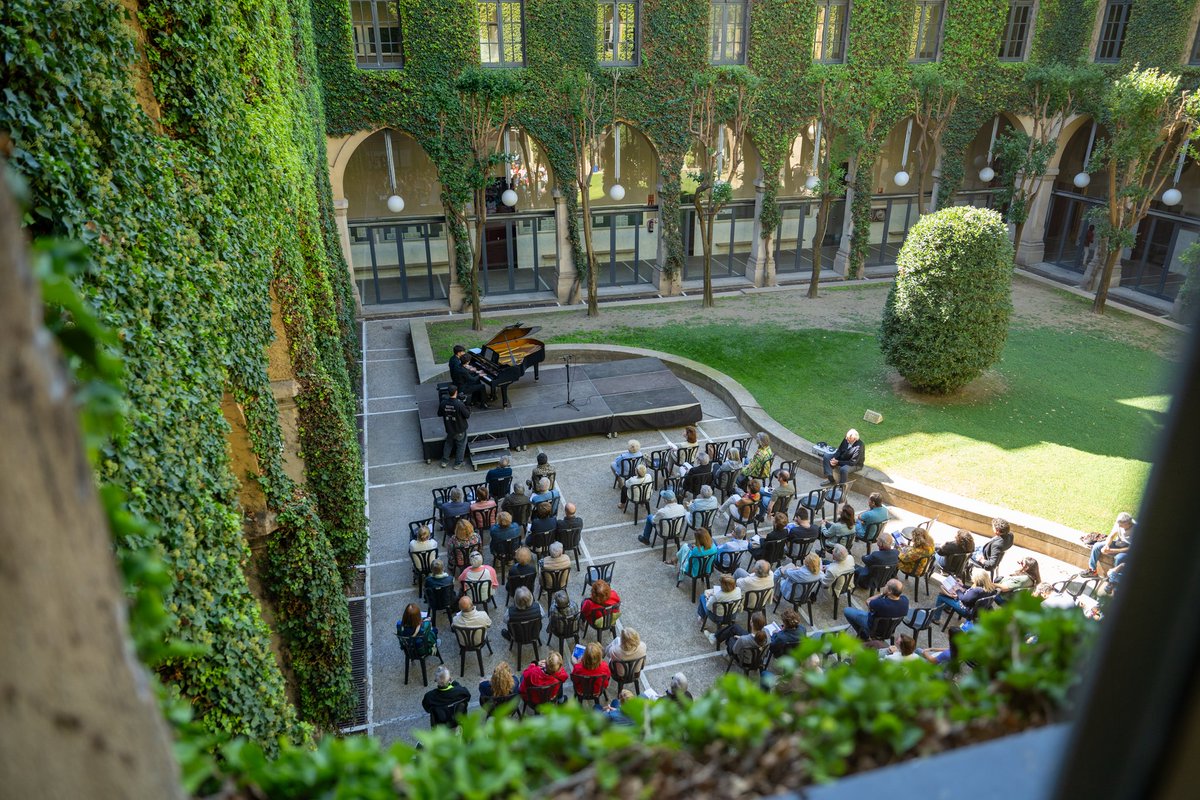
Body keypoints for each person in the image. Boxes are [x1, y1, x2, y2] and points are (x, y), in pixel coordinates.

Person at [845, 578, 909, 639]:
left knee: (847, 610)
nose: (884, 586)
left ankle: (864, 635)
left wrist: (882, 594)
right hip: (889, 630)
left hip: (873, 628)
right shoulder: (905, 601)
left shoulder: (880, 603)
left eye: (886, 585)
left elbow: (868, 601)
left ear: (889, 591)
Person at [1083, 512, 1135, 578]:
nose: (1119, 526)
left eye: (1121, 525)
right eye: (1118, 524)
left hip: (1128, 550)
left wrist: (1112, 551)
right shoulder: (1119, 523)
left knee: (1119, 558)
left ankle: (1113, 579)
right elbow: (1111, 535)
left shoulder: (1137, 529)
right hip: (1118, 543)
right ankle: (1092, 570)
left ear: (1128, 523)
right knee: (1096, 546)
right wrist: (1106, 545)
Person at [437, 384, 471, 469]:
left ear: (448, 393)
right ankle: (458, 463)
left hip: (449, 428)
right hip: (459, 429)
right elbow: (467, 415)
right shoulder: (459, 404)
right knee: (461, 446)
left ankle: (444, 461)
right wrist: (466, 405)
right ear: (456, 392)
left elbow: (439, 414)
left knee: (448, 444)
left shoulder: (443, 403)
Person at [449, 344, 488, 409]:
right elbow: (471, 379)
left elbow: (464, 370)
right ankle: (483, 404)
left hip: (458, 380)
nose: (464, 353)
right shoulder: (457, 364)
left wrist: (475, 372)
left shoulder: (455, 360)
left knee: (476, 379)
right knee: (482, 386)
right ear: (459, 353)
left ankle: (475, 399)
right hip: (461, 386)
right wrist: (479, 374)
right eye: (463, 352)